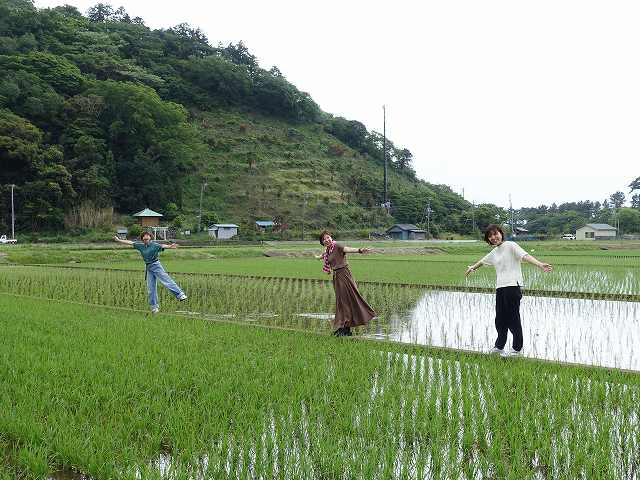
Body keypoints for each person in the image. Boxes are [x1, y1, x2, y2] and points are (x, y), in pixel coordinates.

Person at [465, 224, 552, 356]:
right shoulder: (494, 252)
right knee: (500, 320)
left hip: (512, 286)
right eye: (490, 236)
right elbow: (482, 261)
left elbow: (525, 256)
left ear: (501, 233)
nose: (494, 237)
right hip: (500, 288)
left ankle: (517, 349)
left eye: (495, 234)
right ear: (488, 240)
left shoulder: (511, 245)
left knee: (513, 319)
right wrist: (472, 267)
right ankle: (499, 346)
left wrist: (540, 264)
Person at [317, 230, 376, 336]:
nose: (326, 240)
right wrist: (317, 257)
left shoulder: (337, 246)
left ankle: (345, 327)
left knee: (346, 300)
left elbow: (347, 249)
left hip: (344, 274)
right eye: (324, 239)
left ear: (331, 237)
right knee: (341, 302)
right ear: (322, 242)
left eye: (328, 237)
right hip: (336, 276)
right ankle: (343, 327)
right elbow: (324, 255)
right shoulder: (328, 250)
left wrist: (360, 250)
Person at [114, 232, 187, 313]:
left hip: (156, 265)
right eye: (145, 239)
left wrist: (170, 246)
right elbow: (130, 242)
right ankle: (154, 307)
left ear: (150, 239)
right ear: (142, 239)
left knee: (166, 281)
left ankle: (180, 295)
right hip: (148, 267)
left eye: (148, 239)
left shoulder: (154, 245)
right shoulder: (140, 246)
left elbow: (162, 246)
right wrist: (119, 240)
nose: (146, 241)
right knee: (151, 288)